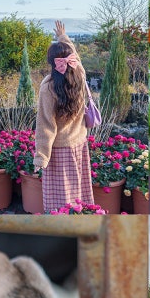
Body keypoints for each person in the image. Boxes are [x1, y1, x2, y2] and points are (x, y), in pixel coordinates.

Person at [34, 20, 95, 212]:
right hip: (79, 144)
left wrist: (41, 158)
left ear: (51, 63)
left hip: (60, 150)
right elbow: (74, 55)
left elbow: (45, 125)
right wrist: (63, 37)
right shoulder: (80, 75)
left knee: (60, 197)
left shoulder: (48, 87)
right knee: (79, 189)